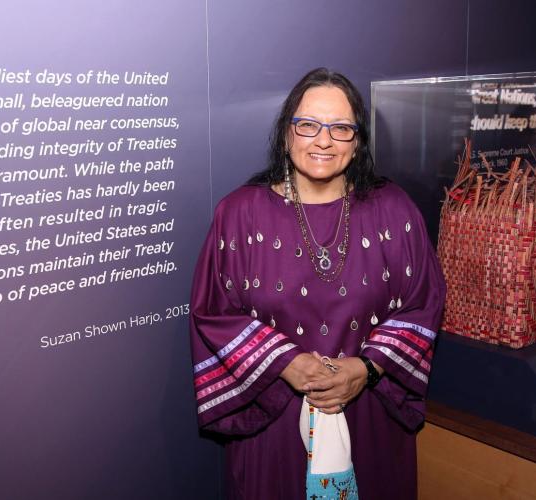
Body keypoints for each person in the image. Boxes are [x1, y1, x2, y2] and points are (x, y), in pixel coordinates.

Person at [189, 67, 446, 499]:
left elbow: (424, 300)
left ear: (358, 140)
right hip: (273, 420)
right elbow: (212, 311)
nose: (323, 140)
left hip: (370, 412)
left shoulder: (394, 210)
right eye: (308, 125)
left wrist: (366, 368)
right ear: (286, 132)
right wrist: (286, 362)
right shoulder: (239, 214)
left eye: (341, 128)